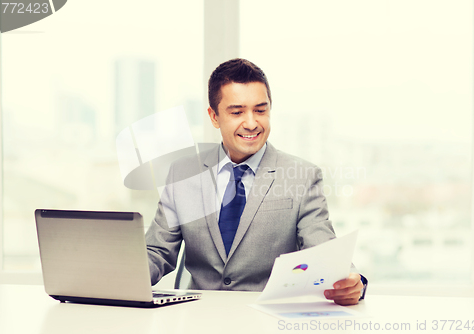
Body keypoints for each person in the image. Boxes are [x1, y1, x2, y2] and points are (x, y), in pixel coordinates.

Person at [145, 58, 366, 305]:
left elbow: (323, 249)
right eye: (237, 112)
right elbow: (157, 252)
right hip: (196, 317)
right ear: (214, 117)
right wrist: (117, 274)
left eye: (260, 110)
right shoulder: (182, 174)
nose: (251, 123)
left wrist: (350, 279)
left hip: (268, 318)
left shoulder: (303, 176)